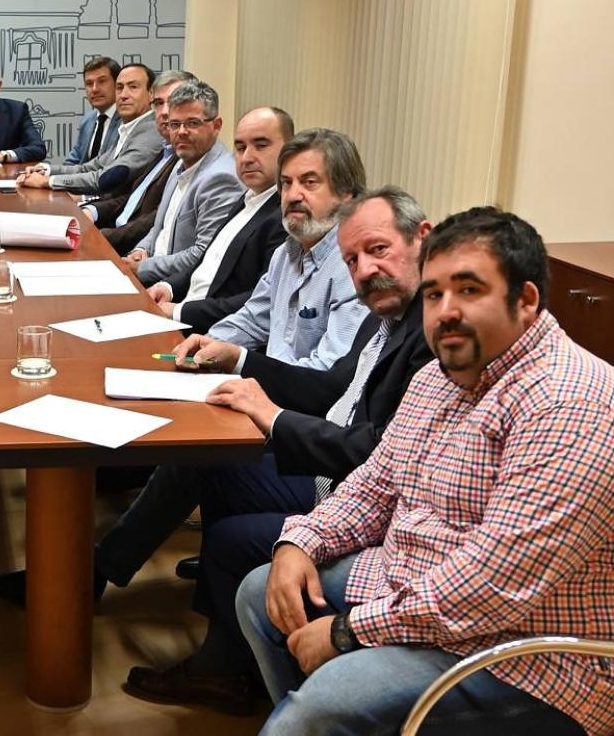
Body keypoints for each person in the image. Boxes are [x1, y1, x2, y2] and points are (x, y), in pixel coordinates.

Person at [237, 208, 613, 736]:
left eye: (469, 290)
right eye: (434, 294)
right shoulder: (440, 375)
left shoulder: (568, 401)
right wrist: (298, 542)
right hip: (418, 588)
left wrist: (347, 633)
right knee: (262, 594)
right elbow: (375, 483)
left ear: (525, 301)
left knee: (321, 707)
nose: (445, 312)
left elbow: (494, 582)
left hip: (525, 654)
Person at [117, 188, 434, 712]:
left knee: (231, 538)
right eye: (353, 259)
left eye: (378, 250)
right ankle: (217, 636)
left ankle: (227, 671)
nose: (365, 269)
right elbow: (337, 388)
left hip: (355, 494)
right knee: (212, 464)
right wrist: (242, 368)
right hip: (340, 467)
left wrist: (275, 417)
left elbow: (374, 457)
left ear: (421, 238)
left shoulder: (429, 328)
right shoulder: (385, 311)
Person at [179, 128, 370, 370]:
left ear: (346, 194)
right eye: (287, 183)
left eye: (309, 183)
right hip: (263, 388)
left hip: (298, 402)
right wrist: (207, 343)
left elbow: (328, 370)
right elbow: (253, 319)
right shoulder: (286, 252)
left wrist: (241, 363)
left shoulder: (353, 265)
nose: (293, 195)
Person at [145, 106, 293, 333]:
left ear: (289, 150)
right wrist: (169, 287)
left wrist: (177, 312)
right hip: (180, 312)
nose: (247, 157)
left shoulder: (285, 216)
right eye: (240, 147)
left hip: (209, 333)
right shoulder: (248, 197)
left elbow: (259, 300)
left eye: (261, 145)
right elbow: (208, 261)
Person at [122, 80, 244, 287]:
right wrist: (141, 251)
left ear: (216, 126)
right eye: (175, 124)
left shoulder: (222, 178)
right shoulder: (182, 161)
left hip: (173, 290)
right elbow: (161, 227)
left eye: (193, 123)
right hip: (150, 275)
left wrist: (143, 268)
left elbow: (202, 254)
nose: (181, 132)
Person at [84, 70, 195, 255]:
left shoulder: (187, 159)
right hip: (112, 232)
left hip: (128, 248)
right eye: (159, 104)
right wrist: (91, 211)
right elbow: (130, 199)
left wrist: (101, 237)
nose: (166, 112)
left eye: (175, 101)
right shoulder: (164, 150)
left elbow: (156, 219)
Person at [17, 63, 160, 194]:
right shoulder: (127, 128)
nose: (123, 95)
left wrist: (47, 181)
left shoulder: (151, 131)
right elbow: (90, 167)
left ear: (151, 94)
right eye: (120, 88)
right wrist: (46, 170)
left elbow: (107, 178)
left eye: (133, 87)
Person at [63, 56, 121, 165]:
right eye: (89, 84)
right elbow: (73, 161)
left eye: (102, 81)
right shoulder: (87, 120)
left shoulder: (126, 120)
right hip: (81, 180)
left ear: (117, 84)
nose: (94, 89)